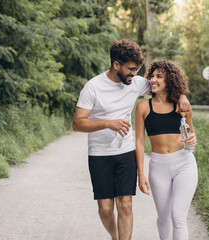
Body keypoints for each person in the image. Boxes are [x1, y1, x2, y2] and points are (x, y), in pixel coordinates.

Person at [72, 39, 191, 240]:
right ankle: (115, 236)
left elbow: (164, 84)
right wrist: (108, 123)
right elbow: (77, 123)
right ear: (116, 65)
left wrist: (181, 96)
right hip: (99, 154)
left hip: (125, 152)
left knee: (125, 204)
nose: (136, 74)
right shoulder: (93, 87)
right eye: (131, 69)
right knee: (106, 208)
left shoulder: (135, 83)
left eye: (137, 69)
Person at [135, 60, 198, 240]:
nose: (153, 80)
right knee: (163, 218)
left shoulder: (183, 106)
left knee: (178, 217)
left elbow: (191, 140)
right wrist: (141, 174)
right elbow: (139, 142)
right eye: (152, 76)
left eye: (159, 76)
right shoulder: (143, 107)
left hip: (184, 164)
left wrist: (192, 141)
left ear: (169, 80)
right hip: (158, 166)